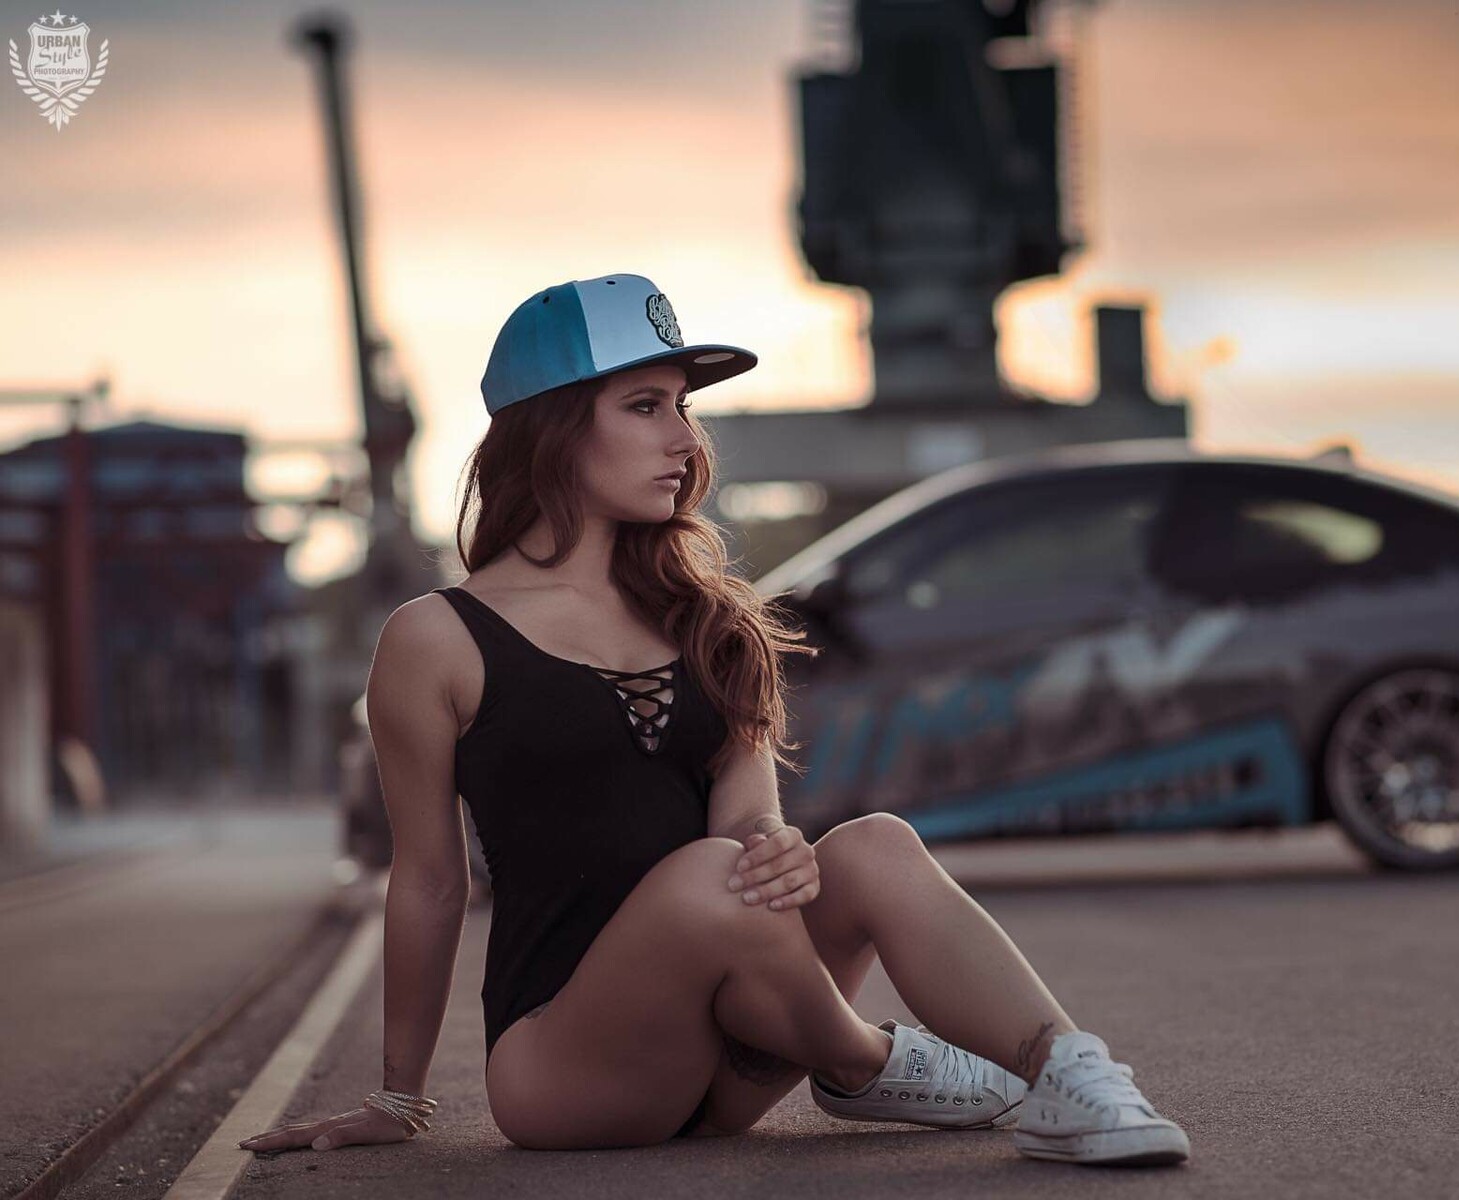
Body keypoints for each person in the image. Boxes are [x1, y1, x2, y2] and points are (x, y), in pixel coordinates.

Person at [236, 273, 1191, 1167]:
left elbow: (745, 823)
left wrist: (777, 849)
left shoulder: (710, 619)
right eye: (646, 407)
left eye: (683, 407)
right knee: (704, 877)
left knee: (874, 846)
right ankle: (864, 1060)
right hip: (567, 1072)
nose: (685, 440)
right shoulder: (436, 638)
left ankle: (1072, 1076)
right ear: (553, 428)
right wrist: (398, 1100)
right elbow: (429, 881)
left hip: (732, 1055)